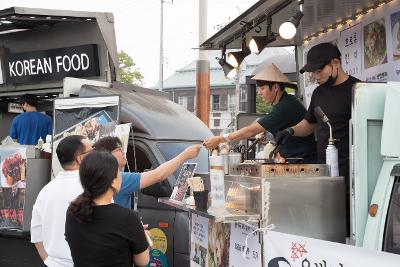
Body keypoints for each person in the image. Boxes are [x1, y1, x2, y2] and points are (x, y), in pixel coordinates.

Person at [31, 135, 200, 266]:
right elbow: (158, 175)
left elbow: (38, 241)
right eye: (91, 151)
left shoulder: (46, 193)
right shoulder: (112, 195)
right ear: (81, 159)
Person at [275, 42, 360, 235]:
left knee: (348, 230)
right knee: (328, 229)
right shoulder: (319, 93)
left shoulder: (357, 90)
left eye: (319, 70)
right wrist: (290, 131)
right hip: (325, 172)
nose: (316, 75)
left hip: (353, 175)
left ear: (336, 63)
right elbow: (309, 123)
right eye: (313, 72)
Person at [203, 63, 316, 162]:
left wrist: (221, 139)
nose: (259, 93)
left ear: (276, 87)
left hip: (303, 161)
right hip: (296, 159)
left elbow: (250, 131)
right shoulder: (285, 103)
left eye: (262, 88)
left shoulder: (285, 106)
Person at [65, 151, 149, 267]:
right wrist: (142, 236)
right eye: (119, 172)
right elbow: (143, 261)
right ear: (112, 181)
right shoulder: (127, 218)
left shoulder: (73, 212)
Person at [92, 136, 201, 208]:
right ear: (107, 155)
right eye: (119, 150)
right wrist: (185, 155)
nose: (123, 152)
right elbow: (159, 174)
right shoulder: (120, 178)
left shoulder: (96, 177)